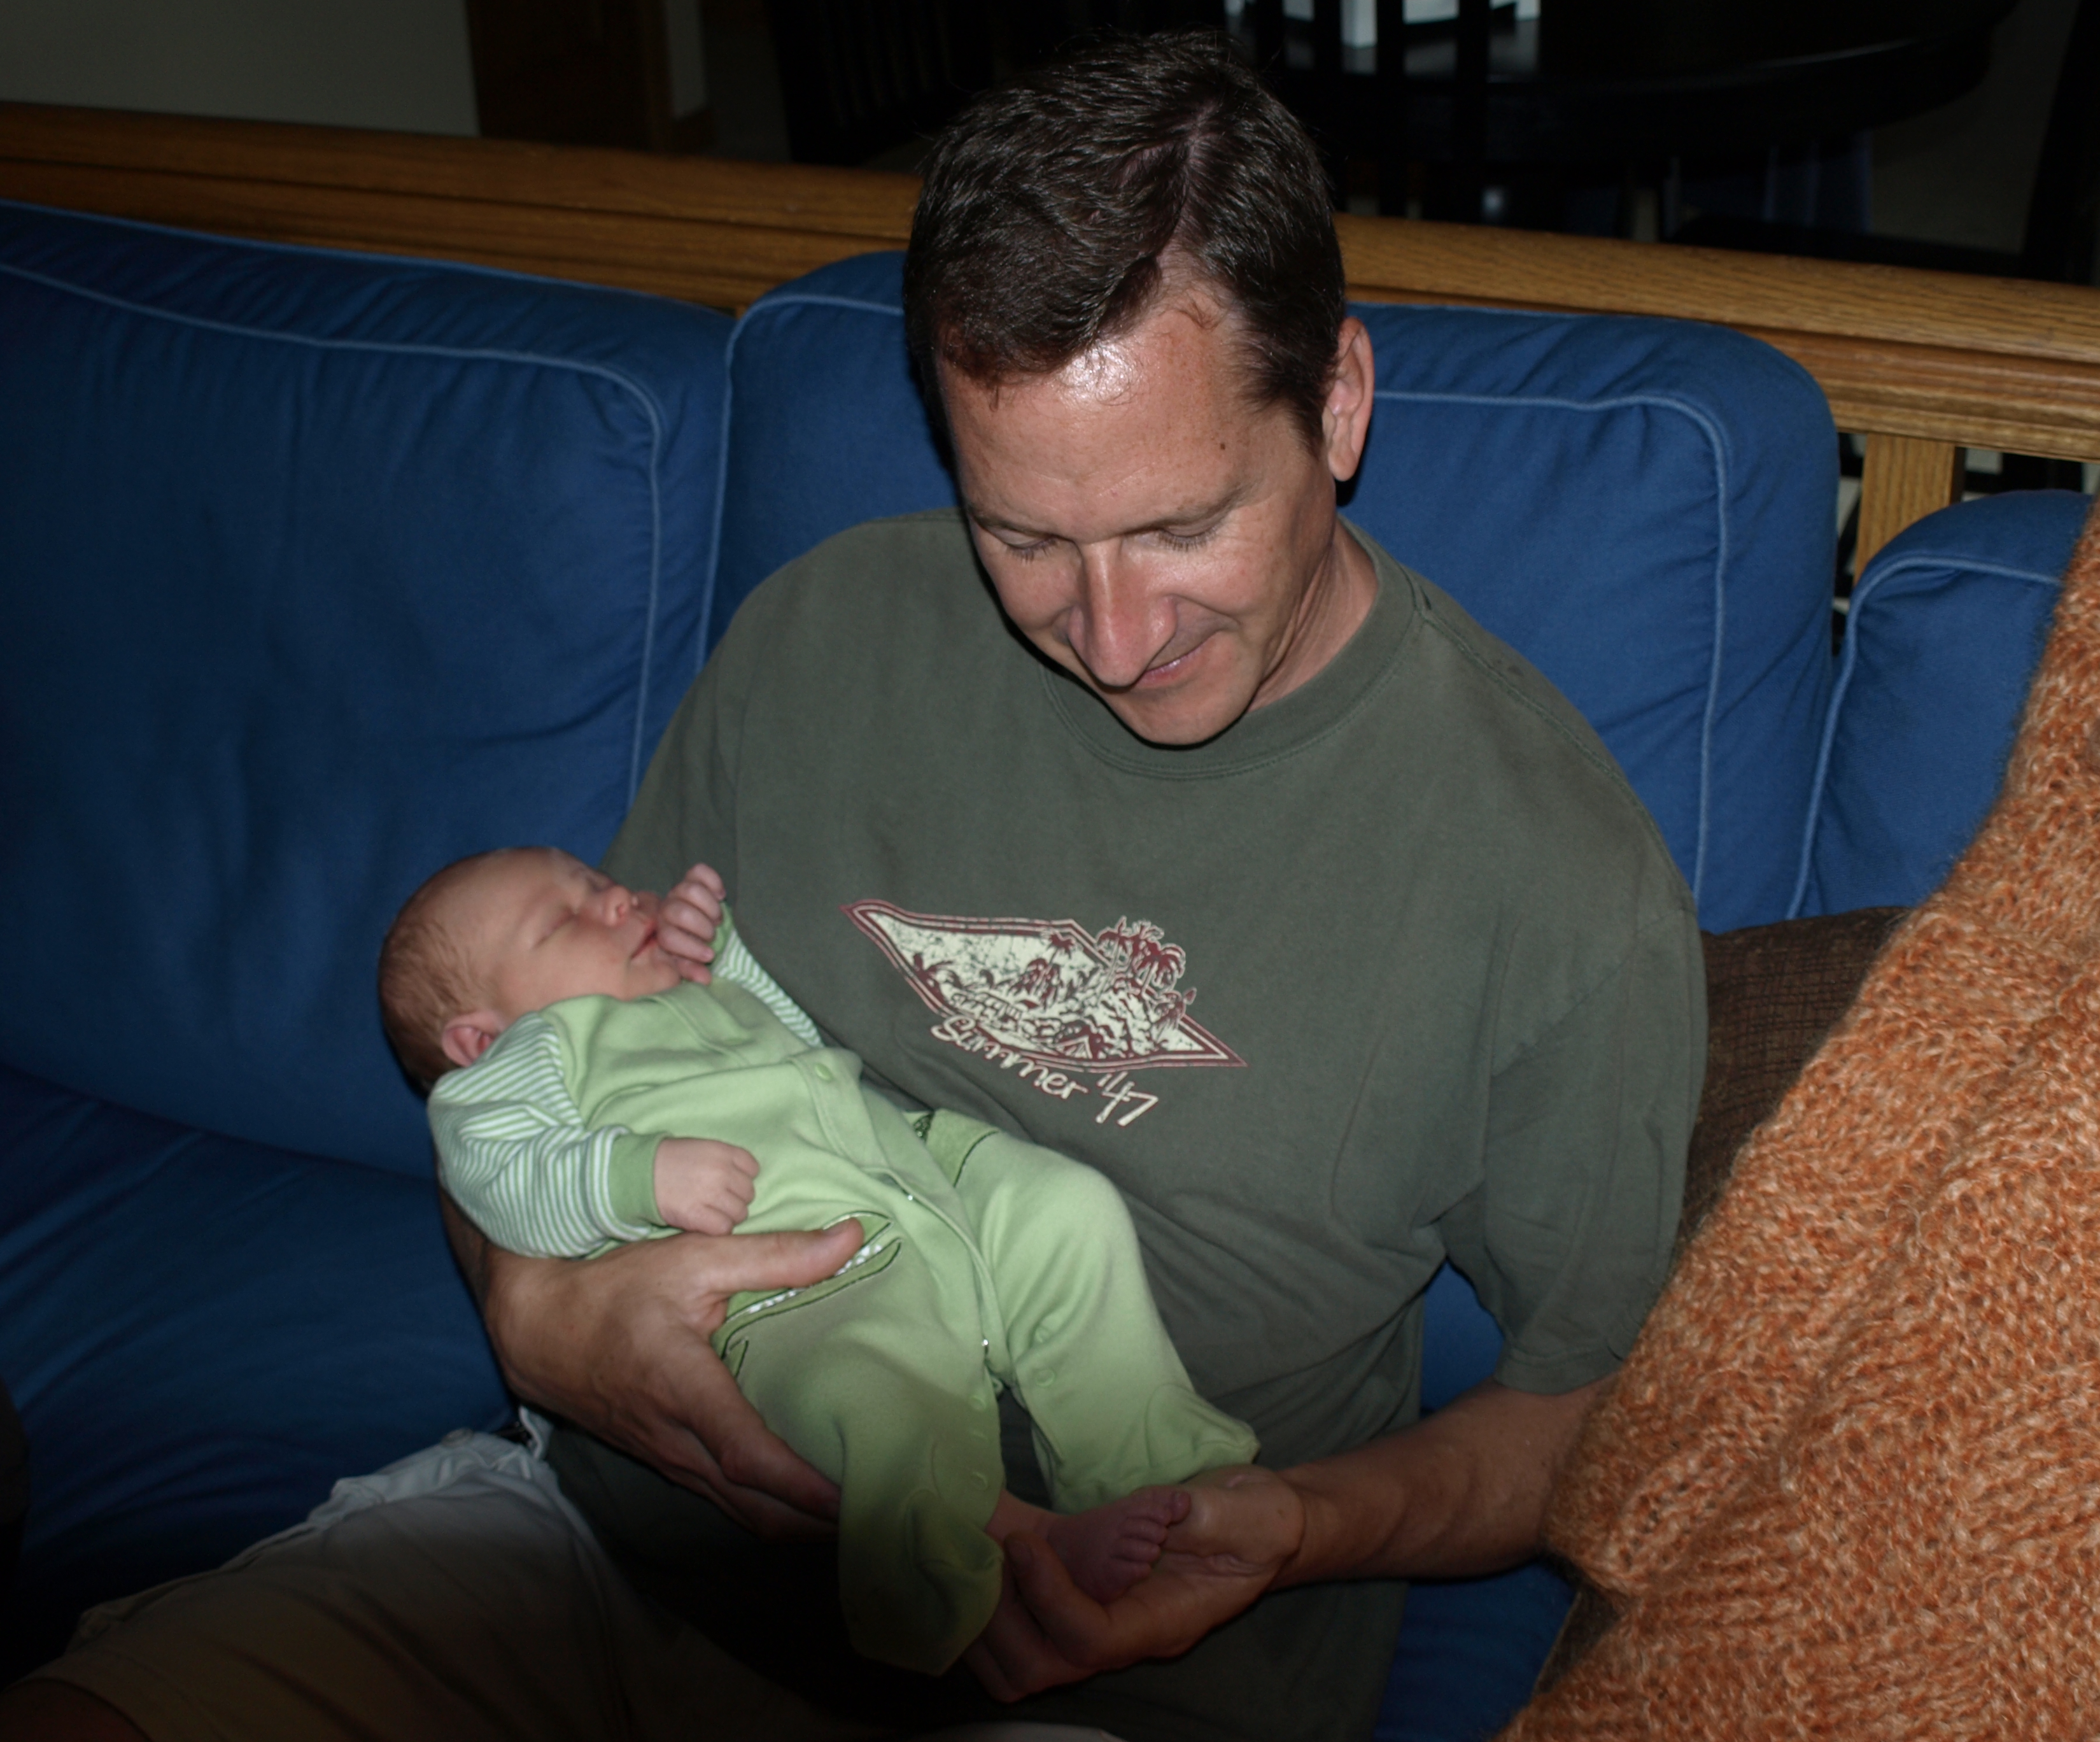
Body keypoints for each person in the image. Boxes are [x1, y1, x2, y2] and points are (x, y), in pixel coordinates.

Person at [2, 27, 1702, 1742]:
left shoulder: (1549, 879)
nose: (1113, 636)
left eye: (1182, 529)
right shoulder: (827, 634)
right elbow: (530, 1058)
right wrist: (536, 1310)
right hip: (576, 1564)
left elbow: (1596, 1415)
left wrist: (1301, 1528)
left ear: (1337, 401)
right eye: (1024, 538)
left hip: (1093, 1676)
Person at [382, 844, 1262, 1675]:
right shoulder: (526, 1062)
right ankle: (1011, 1551)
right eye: (563, 919)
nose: (613, 900)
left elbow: (796, 1032)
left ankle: (1153, 1463)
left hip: (913, 1171)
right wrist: (637, 1177)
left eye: (596, 882)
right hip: (796, 1287)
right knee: (870, 1399)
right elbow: (499, 1179)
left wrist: (721, 953)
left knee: (1067, 1209)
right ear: (479, 1042)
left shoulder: (680, 988)